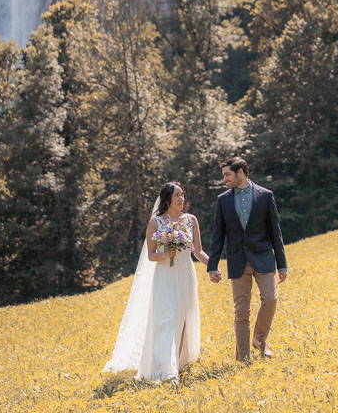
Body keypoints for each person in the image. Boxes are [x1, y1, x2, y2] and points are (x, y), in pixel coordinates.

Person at [102, 181, 209, 382]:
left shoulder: (191, 220)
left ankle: (177, 363)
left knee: (183, 320)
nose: (181, 199)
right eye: (176, 195)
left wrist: (212, 267)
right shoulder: (156, 222)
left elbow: (198, 250)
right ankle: (167, 371)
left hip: (186, 274)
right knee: (166, 320)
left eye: (182, 195)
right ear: (167, 199)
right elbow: (151, 255)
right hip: (164, 277)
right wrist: (165, 254)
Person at [206, 157, 287, 361]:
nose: (224, 179)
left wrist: (282, 264)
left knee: (270, 299)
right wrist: (212, 265)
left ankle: (259, 340)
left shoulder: (265, 196)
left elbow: (275, 232)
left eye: (227, 175)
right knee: (241, 310)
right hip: (237, 260)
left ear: (240, 171)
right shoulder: (223, 200)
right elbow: (218, 235)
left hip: (263, 257)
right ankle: (243, 357)